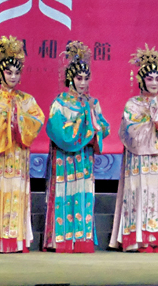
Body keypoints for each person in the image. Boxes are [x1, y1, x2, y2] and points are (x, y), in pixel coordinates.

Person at [0, 35, 44, 253]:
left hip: (16, 157)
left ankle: (15, 239)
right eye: (9, 72)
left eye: (16, 72)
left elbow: (37, 119)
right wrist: (5, 119)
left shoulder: (26, 100)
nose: (13, 77)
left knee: (13, 192)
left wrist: (18, 118)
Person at [109, 44, 158, 252]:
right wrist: (155, 122)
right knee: (140, 193)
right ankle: (139, 240)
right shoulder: (133, 104)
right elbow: (130, 130)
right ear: (142, 80)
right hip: (139, 156)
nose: (154, 83)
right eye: (150, 79)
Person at [43, 41, 110, 253]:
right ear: (70, 78)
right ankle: (61, 241)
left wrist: (95, 127)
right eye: (78, 78)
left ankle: (82, 239)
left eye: (85, 78)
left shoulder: (92, 103)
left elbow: (103, 127)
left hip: (84, 160)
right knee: (65, 194)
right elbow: (58, 132)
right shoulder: (60, 103)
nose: (82, 83)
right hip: (65, 160)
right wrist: (84, 124)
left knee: (83, 195)